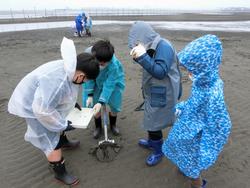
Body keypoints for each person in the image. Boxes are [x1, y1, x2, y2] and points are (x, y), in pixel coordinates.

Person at [8, 37, 99, 186]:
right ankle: (60, 172)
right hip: (32, 106)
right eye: (86, 80)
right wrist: (63, 124)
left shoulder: (71, 69)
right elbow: (42, 111)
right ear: (81, 75)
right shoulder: (58, 81)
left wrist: (71, 104)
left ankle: (63, 141)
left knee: (59, 120)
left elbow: (63, 95)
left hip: (43, 100)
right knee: (49, 138)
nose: (84, 83)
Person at [162, 34, 232, 188]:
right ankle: (184, 166)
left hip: (196, 133)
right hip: (187, 123)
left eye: (191, 69)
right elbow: (195, 103)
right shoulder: (203, 82)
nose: (188, 72)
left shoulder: (213, 93)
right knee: (176, 144)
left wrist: (207, 148)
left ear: (203, 68)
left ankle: (197, 184)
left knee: (192, 164)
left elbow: (220, 123)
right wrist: (182, 108)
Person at [128, 21, 182, 166]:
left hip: (163, 92)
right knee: (151, 117)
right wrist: (141, 55)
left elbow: (160, 72)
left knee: (154, 122)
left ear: (143, 36)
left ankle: (158, 151)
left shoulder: (163, 46)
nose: (137, 45)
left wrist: (142, 57)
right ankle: (152, 142)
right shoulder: (153, 45)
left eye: (137, 42)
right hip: (155, 90)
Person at [83, 40, 125, 139]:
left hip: (113, 82)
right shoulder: (88, 57)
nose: (101, 66)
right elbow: (88, 77)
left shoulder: (114, 65)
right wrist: (90, 94)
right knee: (94, 105)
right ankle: (98, 127)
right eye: (99, 64)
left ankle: (113, 125)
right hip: (95, 80)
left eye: (103, 64)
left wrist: (101, 101)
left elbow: (109, 85)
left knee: (115, 104)